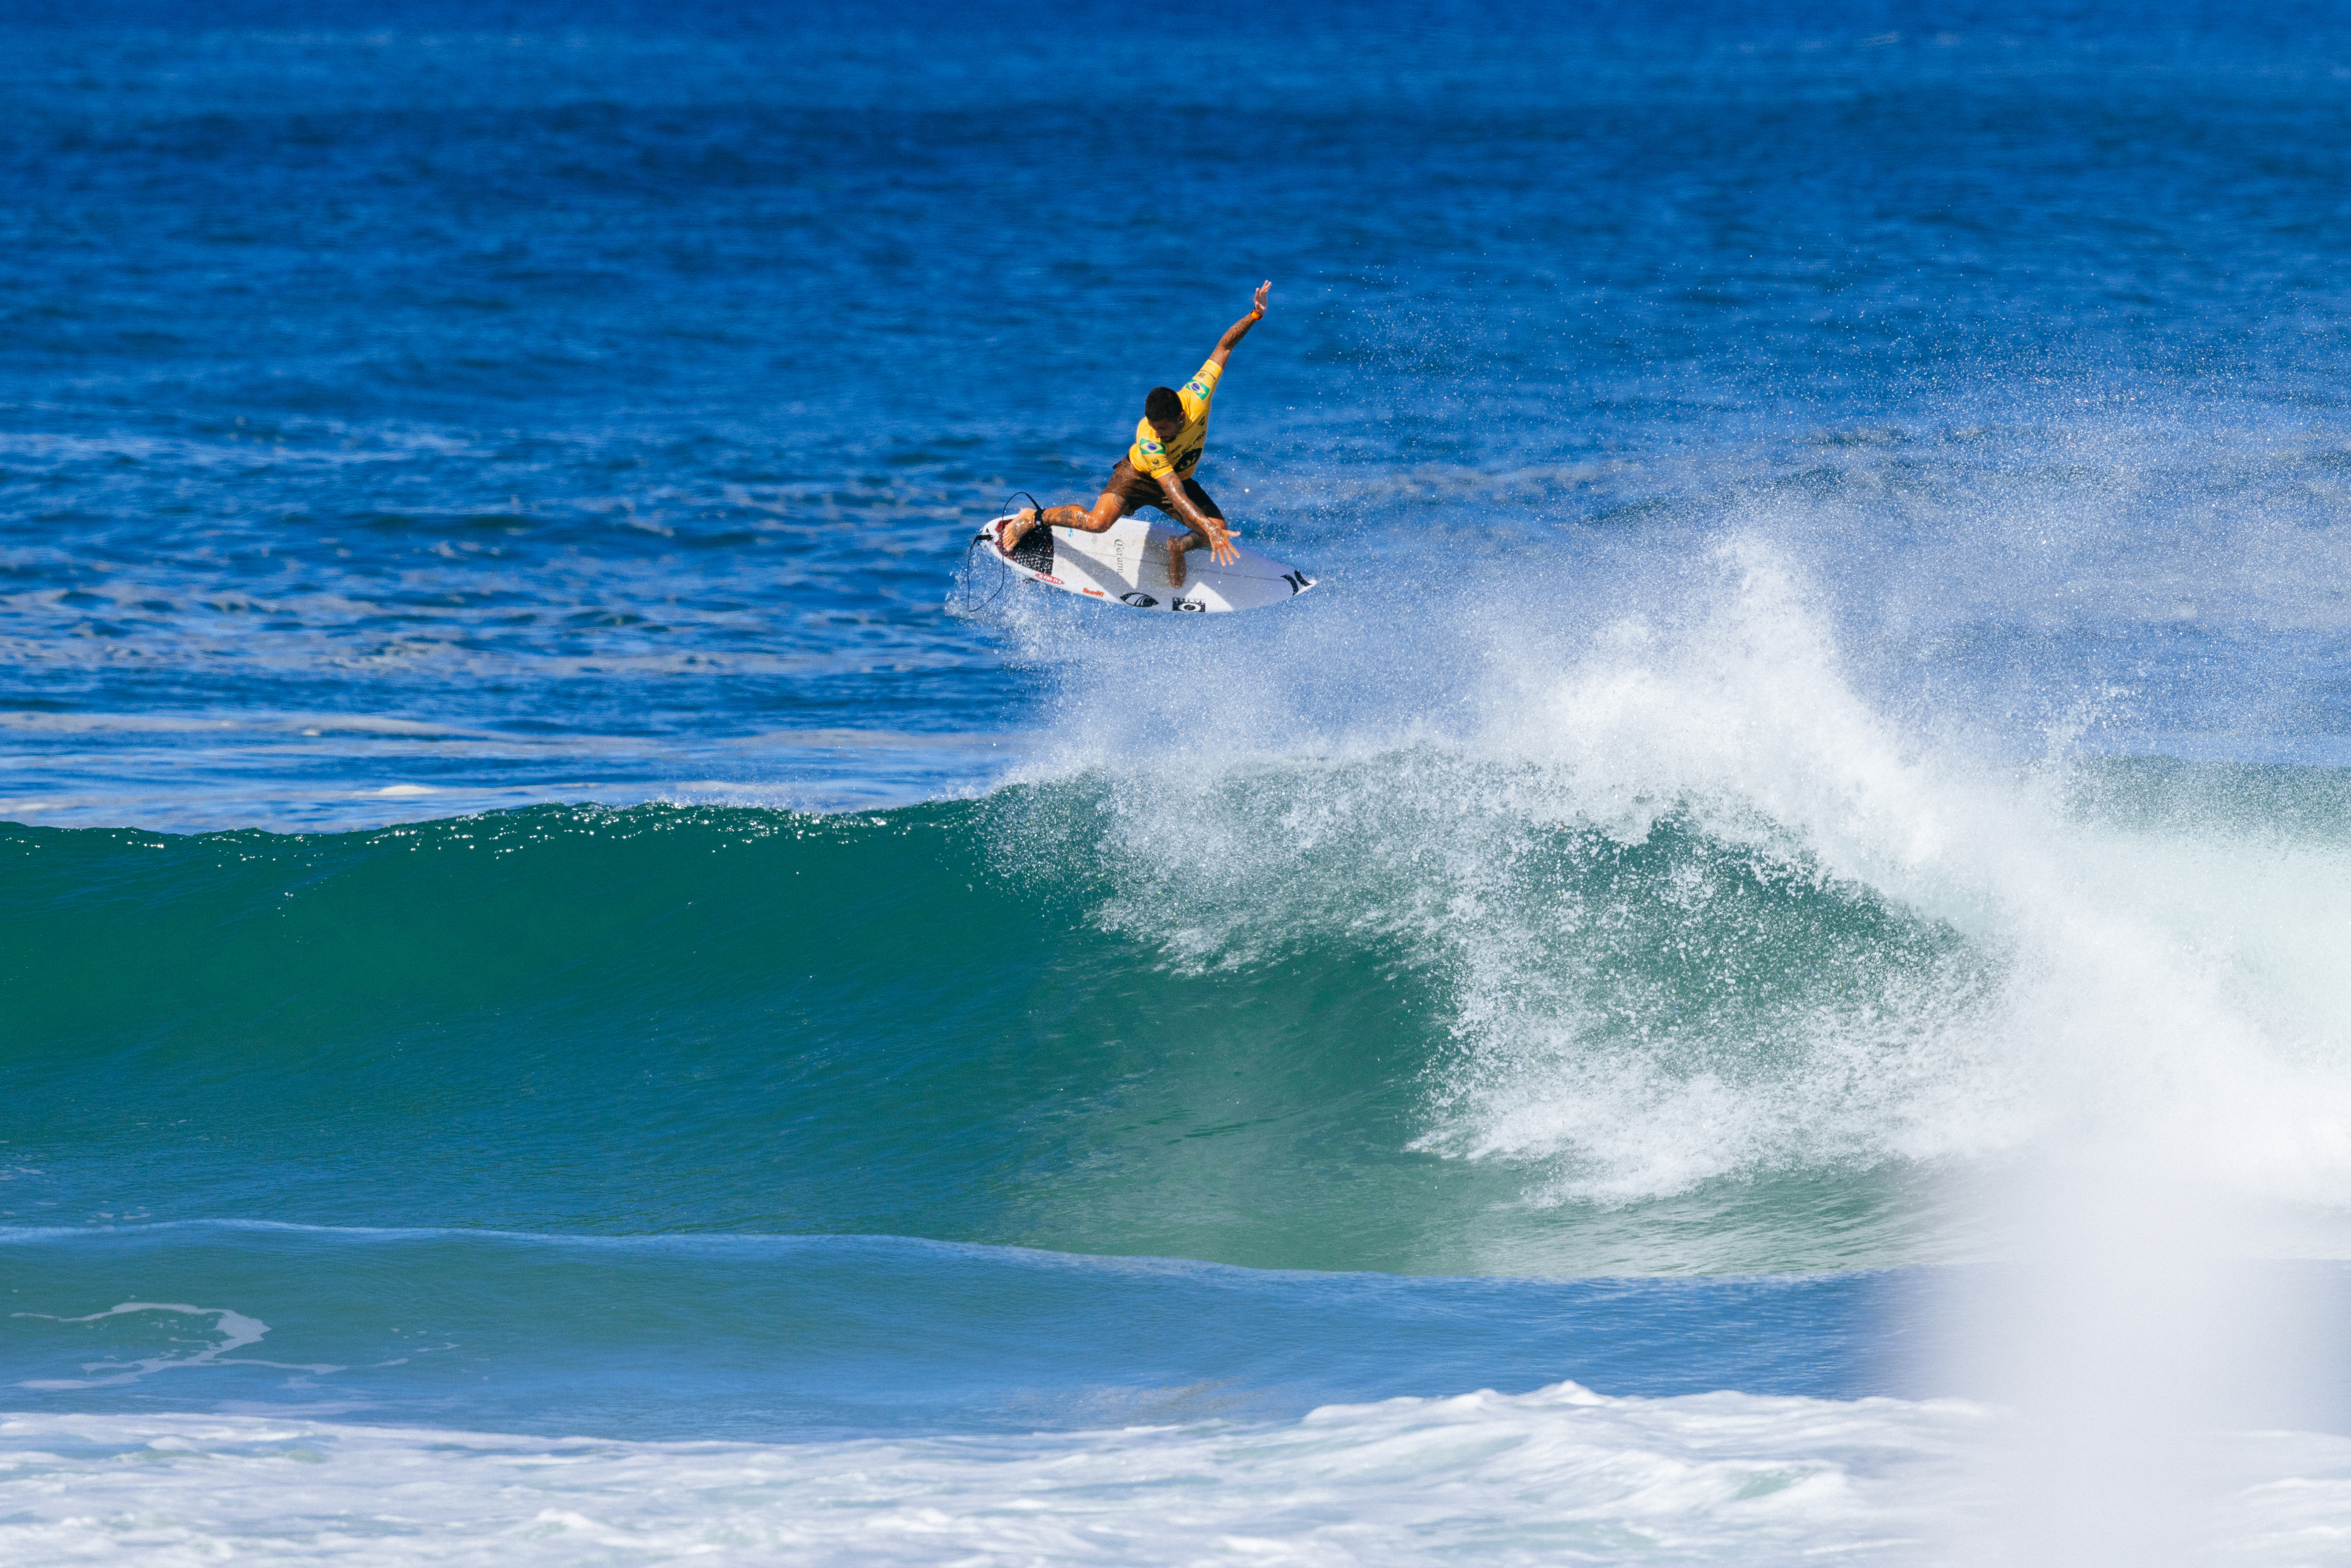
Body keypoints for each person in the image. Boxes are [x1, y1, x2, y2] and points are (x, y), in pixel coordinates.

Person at [996, 281, 1271, 589]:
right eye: (1154, 428)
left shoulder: (1198, 395)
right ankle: (1034, 518)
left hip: (1178, 477)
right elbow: (1176, 496)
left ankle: (1177, 547)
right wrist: (1204, 523)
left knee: (1216, 531)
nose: (1158, 435)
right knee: (1096, 523)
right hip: (1138, 475)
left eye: (1164, 430)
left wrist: (1255, 314)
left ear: (1182, 417)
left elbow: (1224, 347)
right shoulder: (1150, 442)